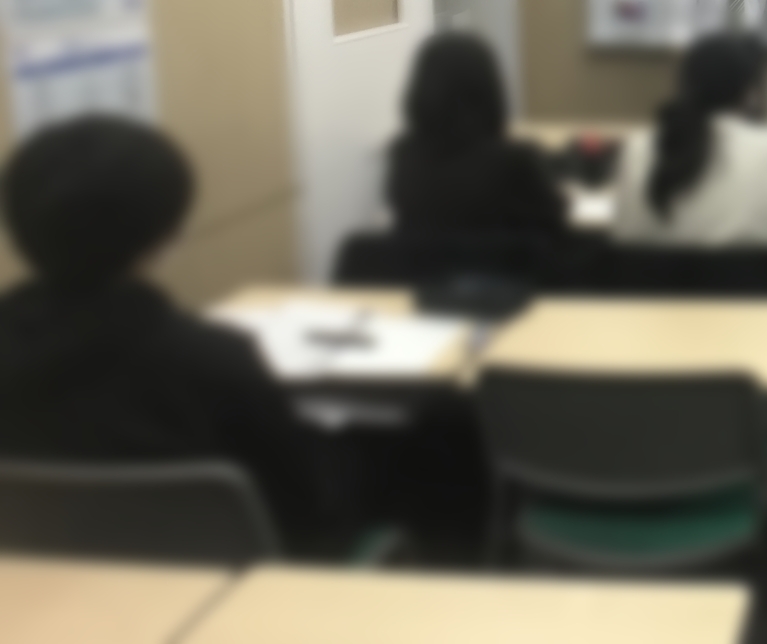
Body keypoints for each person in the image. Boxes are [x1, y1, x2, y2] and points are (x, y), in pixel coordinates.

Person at [0, 117, 333, 538]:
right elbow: (301, 509)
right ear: (168, 232)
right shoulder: (215, 360)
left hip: (27, 574)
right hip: (213, 575)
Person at [611, 33, 767, 280]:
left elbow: (623, 243)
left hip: (650, 300)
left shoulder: (637, 148)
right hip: (756, 299)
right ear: (749, 92)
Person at [386, 32, 567, 237]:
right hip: (506, 259)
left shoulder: (404, 156)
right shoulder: (515, 162)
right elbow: (554, 223)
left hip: (428, 259)